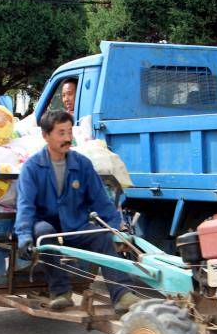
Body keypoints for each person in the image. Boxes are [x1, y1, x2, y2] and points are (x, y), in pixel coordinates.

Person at [15, 110, 141, 312]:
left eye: (69, 132)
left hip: (74, 223)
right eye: (61, 133)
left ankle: (122, 294)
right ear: (46, 136)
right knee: (43, 233)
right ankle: (61, 292)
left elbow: (100, 200)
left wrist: (118, 228)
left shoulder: (81, 164)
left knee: (101, 237)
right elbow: (25, 205)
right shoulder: (32, 167)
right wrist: (23, 236)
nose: (67, 138)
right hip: (45, 223)